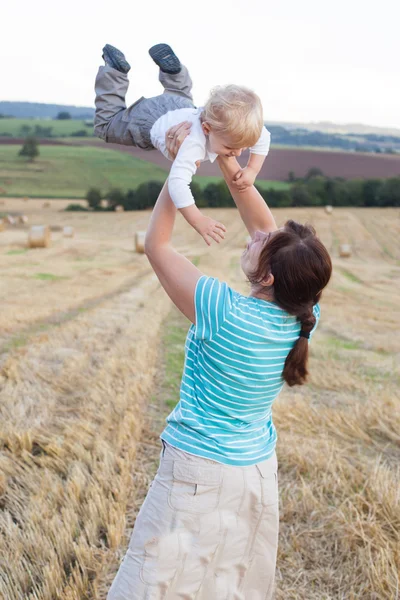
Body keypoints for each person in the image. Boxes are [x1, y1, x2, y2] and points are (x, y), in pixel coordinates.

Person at [106, 123, 332, 600]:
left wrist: (184, 166)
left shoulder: (223, 310)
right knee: (226, 590)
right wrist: (228, 159)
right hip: (254, 474)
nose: (252, 238)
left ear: (267, 277)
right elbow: (267, 232)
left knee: (153, 589)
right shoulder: (304, 314)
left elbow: (157, 245)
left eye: (258, 246)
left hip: (197, 473)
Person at [94, 43, 271, 245]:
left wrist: (252, 170)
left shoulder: (228, 127)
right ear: (206, 129)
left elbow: (263, 137)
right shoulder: (193, 145)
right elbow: (178, 183)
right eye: (230, 148)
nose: (238, 153)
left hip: (182, 108)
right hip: (150, 119)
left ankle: (175, 73)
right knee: (107, 125)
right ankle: (115, 71)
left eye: (243, 148)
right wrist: (198, 220)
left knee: (180, 94)